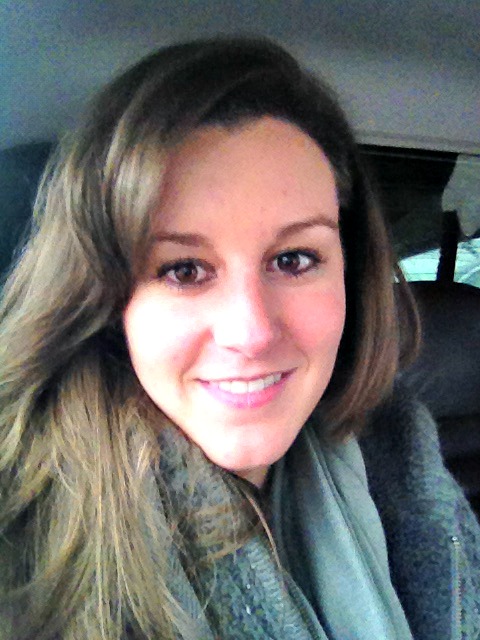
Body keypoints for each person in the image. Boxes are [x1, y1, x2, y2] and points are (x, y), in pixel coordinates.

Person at [0, 37, 478, 640]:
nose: (250, 332)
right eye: (183, 270)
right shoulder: (24, 534)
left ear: (351, 274)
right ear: (106, 299)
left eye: (294, 259)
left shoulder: (402, 459)